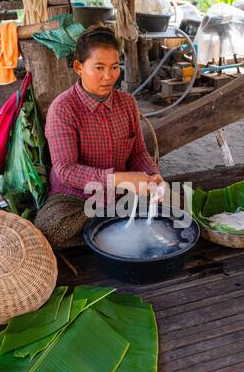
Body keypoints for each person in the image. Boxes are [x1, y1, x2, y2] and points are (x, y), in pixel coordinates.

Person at [35, 25, 164, 250]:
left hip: (121, 195)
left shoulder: (127, 103)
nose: (108, 76)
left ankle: (104, 230)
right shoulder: (63, 108)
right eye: (99, 67)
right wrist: (119, 179)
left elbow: (138, 153)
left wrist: (154, 176)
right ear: (78, 67)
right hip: (77, 200)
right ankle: (107, 227)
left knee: (175, 207)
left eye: (114, 67)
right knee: (50, 228)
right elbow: (65, 169)